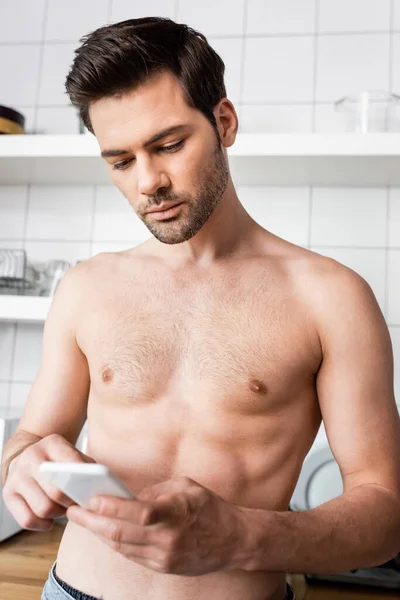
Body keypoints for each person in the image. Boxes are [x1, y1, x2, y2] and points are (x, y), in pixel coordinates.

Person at [2, 16, 400, 600]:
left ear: (224, 122)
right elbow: (31, 436)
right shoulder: (86, 288)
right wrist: (22, 468)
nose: (149, 182)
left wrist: (243, 535)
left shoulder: (332, 298)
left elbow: (385, 514)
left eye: (169, 145)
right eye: (121, 161)